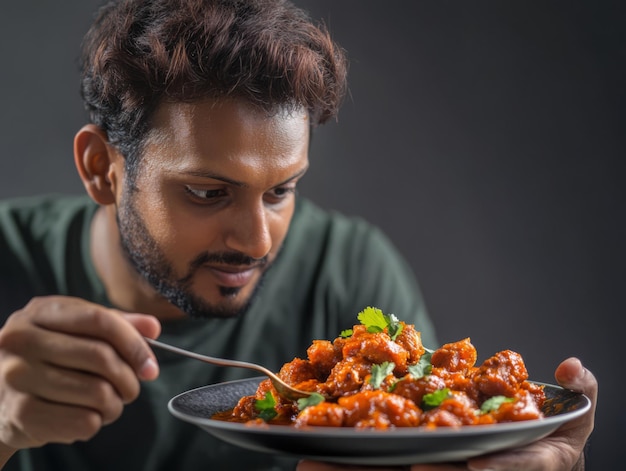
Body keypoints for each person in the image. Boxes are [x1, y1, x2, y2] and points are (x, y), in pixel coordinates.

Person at [0, 0, 596, 470]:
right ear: (103, 168)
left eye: (281, 191)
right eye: (208, 192)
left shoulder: (351, 271)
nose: (258, 242)